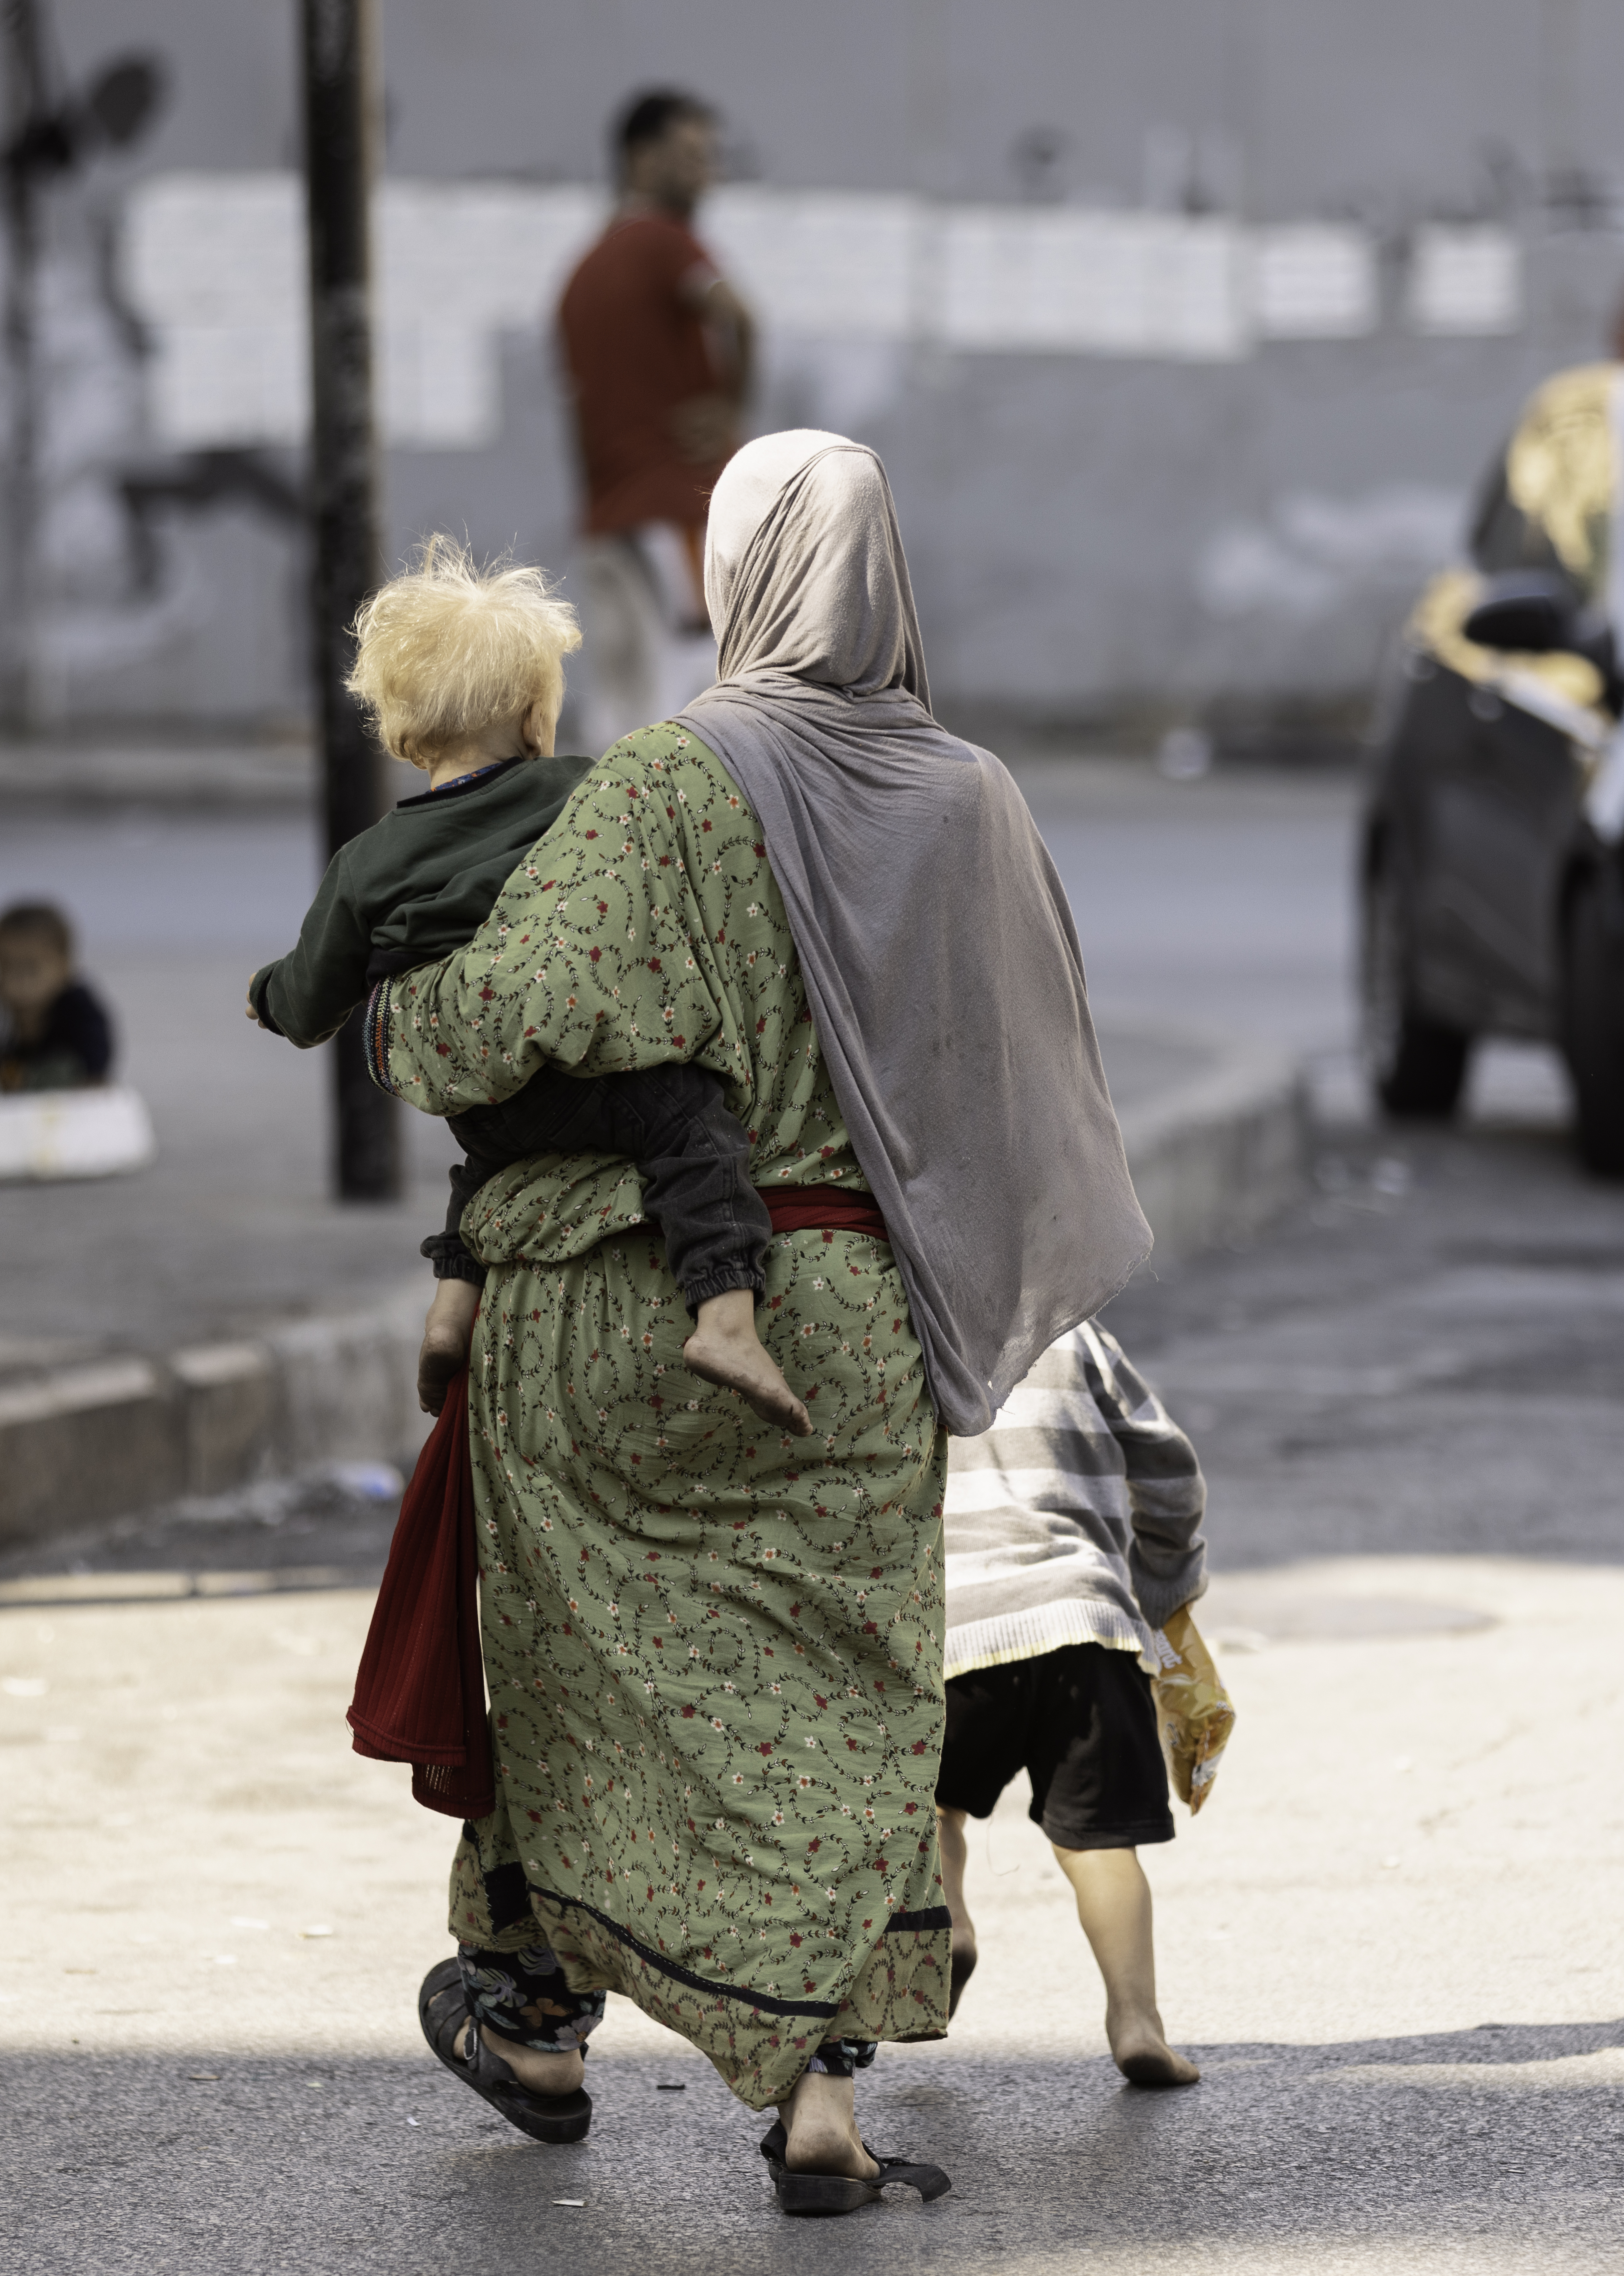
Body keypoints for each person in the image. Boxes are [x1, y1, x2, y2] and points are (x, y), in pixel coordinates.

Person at [365, 430, 1152, 2213]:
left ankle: (543, 2017)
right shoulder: (975, 803)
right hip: (858, 1332)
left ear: (732, 570)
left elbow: (475, 1032)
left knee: (592, 1687)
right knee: (848, 1709)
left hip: (620, 1311)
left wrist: (397, 977)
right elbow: (1022, 1089)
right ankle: (819, 2105)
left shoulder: (662, 783)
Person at [249, 536, 806, 1433]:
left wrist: (267, 995)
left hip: (489, 1101)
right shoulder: (581, 791)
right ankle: (725, 1318)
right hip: (601, 1071)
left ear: (400, 723)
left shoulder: (368, 860)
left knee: (484, 1167)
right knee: (695, 1132)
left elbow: (312, 995)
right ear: (534, 711)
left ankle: (449, 1311)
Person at [932, 1316, 1208, 2088]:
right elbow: (1168, 1467)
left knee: (931, 1805)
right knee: (1099, 1845)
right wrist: (1161, 1580)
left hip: (955, 1629)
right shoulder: (1074, 1333)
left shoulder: (905, 1322)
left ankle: (948, 1922)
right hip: (1087, 1621)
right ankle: (1136, 2020)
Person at [555, 88, 754, 753]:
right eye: (691, 155)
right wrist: (730, 406)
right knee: (693, 700)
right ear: (641, 159)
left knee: (619, 707)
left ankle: (608, 850)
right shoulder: (669, 245)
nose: (708, 172)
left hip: (607, 519)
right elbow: (742, 315)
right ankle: (682, 855)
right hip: (674, 511)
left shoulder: (579, 275)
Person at [0, 900, 117, 1100]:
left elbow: (98, 1046)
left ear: (65, 967)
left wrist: (95, 1079)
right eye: (7, 966)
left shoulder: (77, 1008)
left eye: (31, 968)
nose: (19, 979)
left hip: (69, 1104)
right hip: (13, 1106)